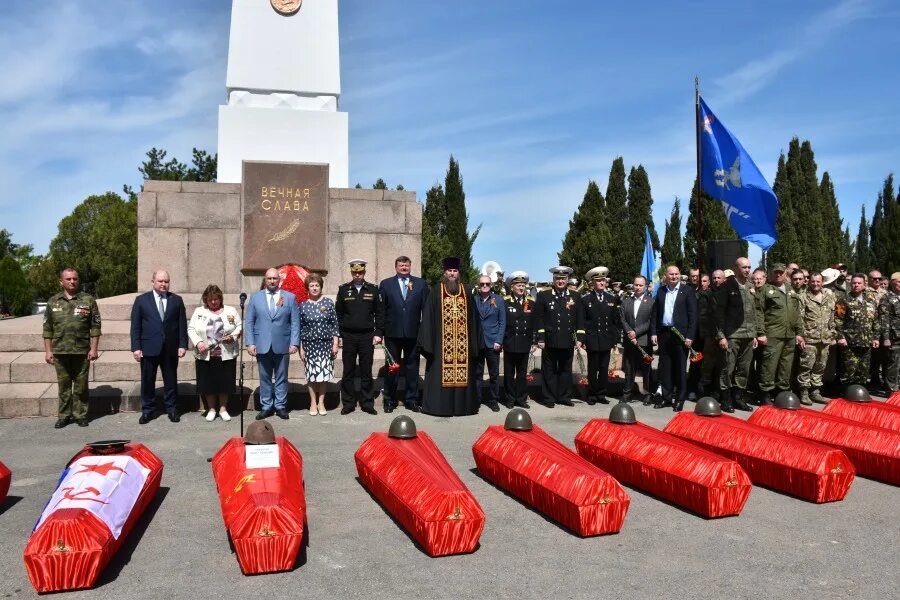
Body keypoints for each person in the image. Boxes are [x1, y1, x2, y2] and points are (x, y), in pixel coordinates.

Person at [417, 257, 482, 416]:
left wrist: (474, 343)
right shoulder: (436, 291)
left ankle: (463, 408)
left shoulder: (466, 291)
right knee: (440, 373)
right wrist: (428, 344)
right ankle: (440, 407)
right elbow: (428, 318)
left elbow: (474, 319)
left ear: (458, 273)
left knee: (464, 373)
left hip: (463, 345)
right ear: (444, 272)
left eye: (455, 271)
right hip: (441, 346)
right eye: (449, 271)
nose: (452, 274)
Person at [43, 268, 101, 428]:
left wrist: (94, 348)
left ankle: (80, 414)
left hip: (82, 351)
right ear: (61, 281)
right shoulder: (52, 301)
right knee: (64, 386)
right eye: (68, 279)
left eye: (75, 278)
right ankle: (64, 415)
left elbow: (95, 326)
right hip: (60, 351)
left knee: (81, 385)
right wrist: (48, 351)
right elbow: (47, 328)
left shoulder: (88, 300)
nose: (72, 281)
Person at [131, 270, 188, 424]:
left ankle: (172, 409)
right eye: (160, 281)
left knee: (171, 381)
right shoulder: (141, 300)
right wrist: (136, 347)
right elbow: (135, 326)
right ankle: (148, 410)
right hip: (148, 347)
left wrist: (183, 344)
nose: (163, 284)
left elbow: (182, 324)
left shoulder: (176, 300)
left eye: (166, 281)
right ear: (153, 282)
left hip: (170, 348)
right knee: (147, 381)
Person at [244, 267, 300, 420]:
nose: (272, 281)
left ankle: (281, 406)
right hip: (262, 344)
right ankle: (267, 406)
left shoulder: (289, 297)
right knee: (265, 377)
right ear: (265, 280)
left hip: (283, 343)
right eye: (269, 278)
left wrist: (295, 342)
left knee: (282, 377)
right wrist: (250, 343)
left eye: (275, 278)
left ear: (279, 279)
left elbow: (295, 321)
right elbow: (249, 321)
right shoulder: (256, 298)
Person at [379, 255, 428, 413]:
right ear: (396, 267)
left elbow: (425, 310)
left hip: (413, 334)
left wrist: (425, 332)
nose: (404, 268)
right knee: (392, 368)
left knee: (412, 368)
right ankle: (389, 400)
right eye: (401, 265)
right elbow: (381, 311)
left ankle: (411, 400)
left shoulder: (420, 284)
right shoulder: (386, 284)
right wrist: (379, 331)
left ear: (410, 266)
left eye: (406, 265)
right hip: (392, 333)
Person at [335, 260, 384, 415]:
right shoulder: (343, 290)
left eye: (360, 272)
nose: (357, 275)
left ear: (364, 272)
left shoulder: (373, 290)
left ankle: (367, 403)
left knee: (366, 371)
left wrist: (378, 333)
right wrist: (340, 335)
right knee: (348, 371)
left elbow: (380, 314)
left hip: (367, 336)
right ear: (351, 273)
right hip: (348, 336)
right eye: (355, 272)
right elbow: (338, 315)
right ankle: (348, 403)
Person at [188, 284, 241, 422]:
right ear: (206, 300)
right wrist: (198, 342)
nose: (213, 302)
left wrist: (233, 337)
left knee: (225, 382)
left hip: (226, 353)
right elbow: (191, 329)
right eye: (210, 299)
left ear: (220, 298)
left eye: (216, 299)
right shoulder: (199, 311)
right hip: (205, 354)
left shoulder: (230, 311)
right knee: (208, 382)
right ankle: (211, 409)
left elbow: (239, 326)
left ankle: (223, 409)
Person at [714, 258, 760, 413]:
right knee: (728, 368)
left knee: (744, 369)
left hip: (748, 334)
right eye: (744, 267)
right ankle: (726, 400)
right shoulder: (727, 287)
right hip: (732, 335)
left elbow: (754, 312)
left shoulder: (751, 286)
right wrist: (721, 336)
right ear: (736, 268)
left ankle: (738, 398)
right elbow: (719, 314)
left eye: (749, 267)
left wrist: (754, 334)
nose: (747, 270)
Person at [755, 263, 804, 406]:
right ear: (771, 274)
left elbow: (796, 314)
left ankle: (782, 391)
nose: (778, 275)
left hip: (789, 335)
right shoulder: (766, 289)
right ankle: (765, 393)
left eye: (781, 272)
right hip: (773, 334)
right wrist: (761, 333)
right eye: (775, 272)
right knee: (769, 365)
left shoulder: (791, 291)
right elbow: (758, 312)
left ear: (785, 274)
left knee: (786, 366)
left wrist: (799, 333)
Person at [650, 265, 697, 412]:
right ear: (666, 276)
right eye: (671, 274)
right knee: (665, 368)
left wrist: (690, 336)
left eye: (677, 274)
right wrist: (653, 332)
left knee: (680, 368)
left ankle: (680, 398)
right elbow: (655, 314)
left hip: (681, 336)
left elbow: (693, 316)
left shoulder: (687, 291)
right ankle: (666, 397)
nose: (674, 277)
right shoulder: (661, 291)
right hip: (665, 334)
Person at [576, 266, 621, 405]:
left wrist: (615, 340)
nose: (602, 283)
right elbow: (582, 321)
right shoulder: (586, 299)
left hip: (606, 339)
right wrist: (582, 339)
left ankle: (601, 394)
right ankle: (592, 394)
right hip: (592, 339)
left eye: (603, 280)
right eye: (599, 281)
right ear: (593, 283)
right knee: (593, 368)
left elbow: (615, 321)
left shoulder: (612, 299)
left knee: (603, 368)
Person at [534, 266, 579, 407]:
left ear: (567, 279)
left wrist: (580, 339)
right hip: (550, 339)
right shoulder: (544, 295)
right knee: (549, 370)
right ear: (553, 279)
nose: (560, 281)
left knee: (566, 370)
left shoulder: (575, 295)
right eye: (558, 278)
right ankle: (549, 398)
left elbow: (579, 319)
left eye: (563, 278)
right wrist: (540, 338)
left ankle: (564, 397)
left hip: (568, 339)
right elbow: (539, 318)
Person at [298, 273, 339, 416]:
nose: (314, 288)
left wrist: (335, 344)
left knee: (323, 376)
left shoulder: (328, 303)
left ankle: (321, 402)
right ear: (307, 288)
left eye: (317, 285)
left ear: (321, 287)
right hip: (309, 346)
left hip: (325, 345)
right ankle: (313, 403)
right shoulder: (302, 306)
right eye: (312, 285)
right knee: (311, 376)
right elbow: (300, 329)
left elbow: (334, 325)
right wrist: (301, 349)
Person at [796, 273, 836, 405]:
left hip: (825, 338)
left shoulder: (829, 296)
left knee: (820, 366)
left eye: (818, 281)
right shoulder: (803, 296)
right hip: (809, 338)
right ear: (809, 282)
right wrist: (800, 336)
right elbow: (799, 319)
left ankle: (815, 391)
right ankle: (804, 392)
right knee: (806, 366)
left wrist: (833, 333)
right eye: (813, 281)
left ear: (822, 282)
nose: (815, 284)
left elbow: (832, 317)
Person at [835, 274, 880, 390]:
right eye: (854, 283)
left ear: (864, 284)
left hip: (866, 342)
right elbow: (838, 320)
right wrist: (840, 337)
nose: (856, 285)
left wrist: (875, 337)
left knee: (863, 371)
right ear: (851, 284)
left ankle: (859, 392)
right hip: (850, 343)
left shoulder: (871, 301)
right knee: (848, 370)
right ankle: (846, 392)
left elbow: (875, 321)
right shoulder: (843, 301)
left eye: (859, 283)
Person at [473, 274, 506, 411]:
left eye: (487, 284)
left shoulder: (498, 300)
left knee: (493, 374)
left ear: (491, 285)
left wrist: (499, 340)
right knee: (477, 374)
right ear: (478, 286)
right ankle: (477, 399)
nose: (485, 286)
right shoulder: (473, 300)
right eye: (482, 284)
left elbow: (502, 322)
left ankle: (493, 400)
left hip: (493, 343)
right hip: (478, 342)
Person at [502, 271, 534, 409]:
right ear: (512, 287)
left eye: (523, 285)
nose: (521, 288)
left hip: (524, 342)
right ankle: (509, 398)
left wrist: (534, 341)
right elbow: (502, 322)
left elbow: (534, 322)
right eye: (518, 285)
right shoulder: (505, 301)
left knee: (522, 373)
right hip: (510, 342)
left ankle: (521, 398)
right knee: (509, 373)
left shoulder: (531, 302)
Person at [620, 275, 654, 404]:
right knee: (629, 369)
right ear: (633, 285)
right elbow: (622, 319)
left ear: (645, 287)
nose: (638, 287)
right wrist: (630, 332)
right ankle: (627, 393)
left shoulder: (651, 302)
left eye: (641, 285)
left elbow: (651, 321)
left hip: (644, 340)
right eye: (636, 285)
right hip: (630, 341)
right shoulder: (626, 301)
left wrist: (636, 332)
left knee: (646, 369)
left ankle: (647, 394)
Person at [867, 270, 888, 392]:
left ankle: (878, 380)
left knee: (881, 356)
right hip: (868, 328)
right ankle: (870, 380)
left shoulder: (885, 293)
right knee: (869, 357)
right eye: (874, 278)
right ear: (869, 279)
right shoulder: (864, 291)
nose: (877, 281)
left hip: (882, 328)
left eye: (879, 279)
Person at [879, 272, 900, 394]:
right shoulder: (886, 298)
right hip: (894, 337)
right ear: (892, 283)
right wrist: (886, 337)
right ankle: (892, 389)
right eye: (899, 282)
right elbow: (884, 319)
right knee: (893, 364)